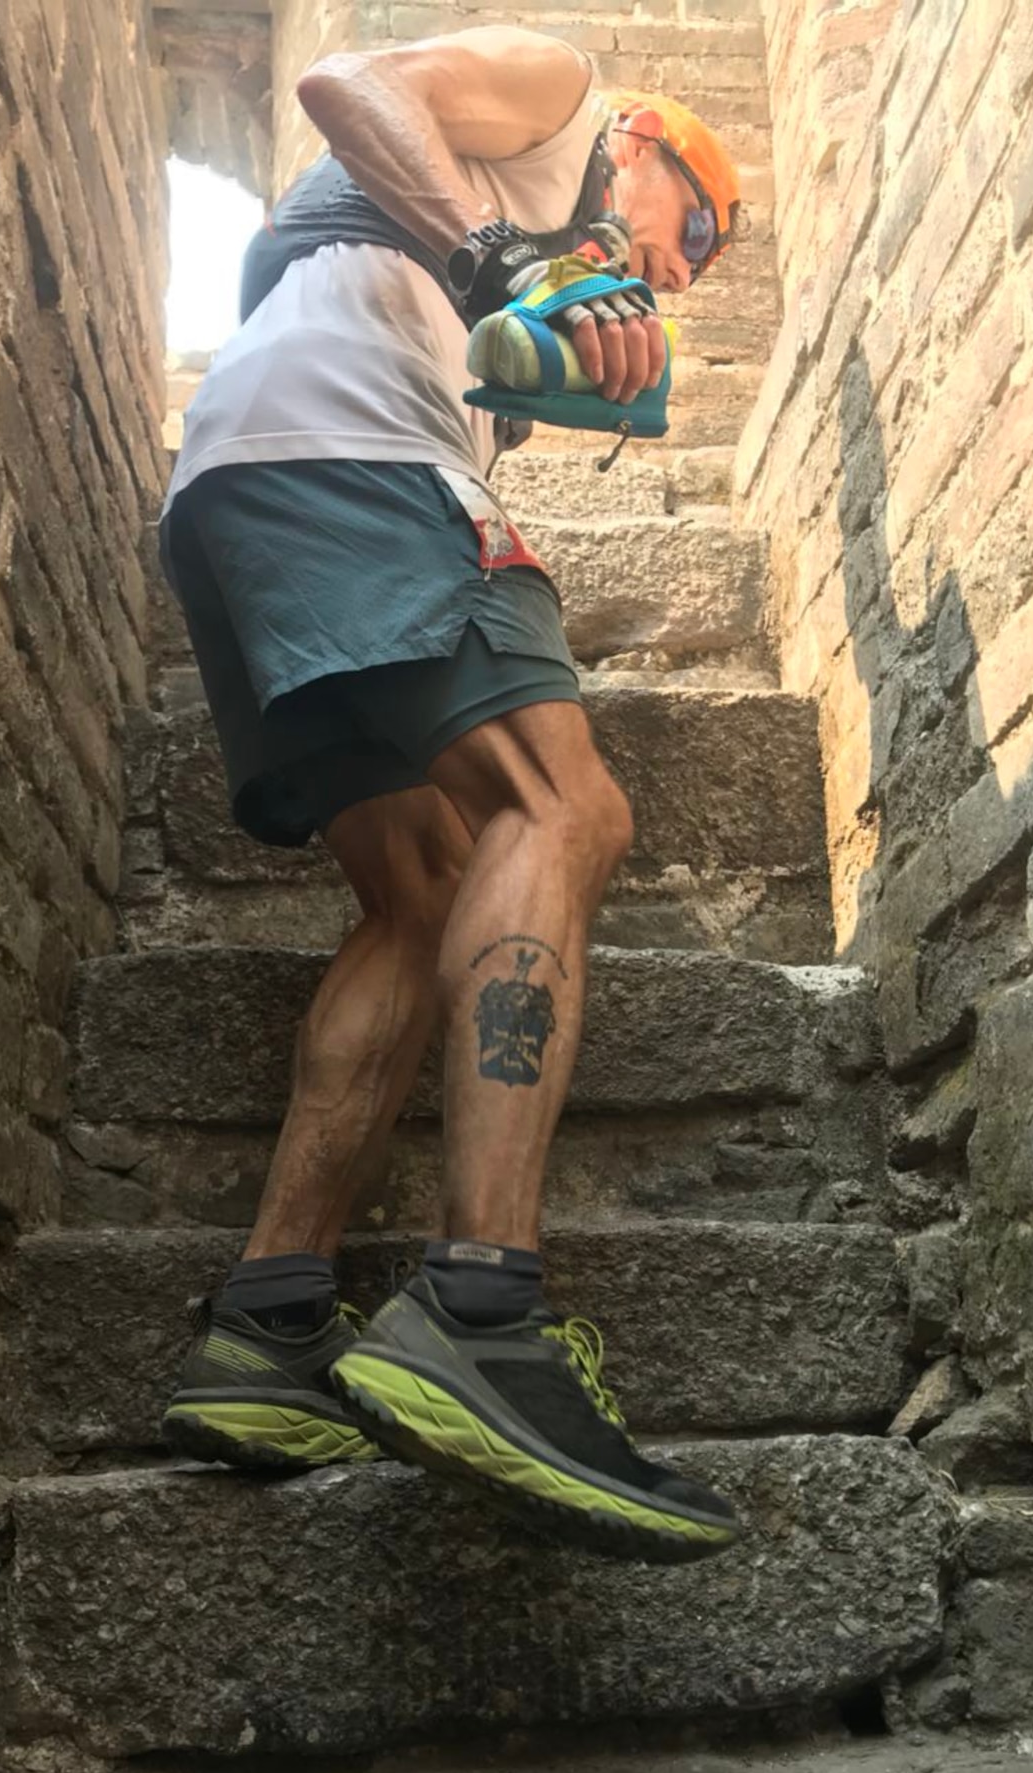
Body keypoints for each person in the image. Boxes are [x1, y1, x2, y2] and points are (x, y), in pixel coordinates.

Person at [158, 26, 745, 1562]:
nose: (684, 274)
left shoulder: (472, 243)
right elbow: (344, 80)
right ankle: (480, 1313)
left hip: (244, 481)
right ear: (651, 146)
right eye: (700, 231)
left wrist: (520, 317)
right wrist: (503, 261)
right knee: (565, 810)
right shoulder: (558, 102)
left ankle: (270, 1322)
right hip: (356, 459)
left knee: (423, 896)